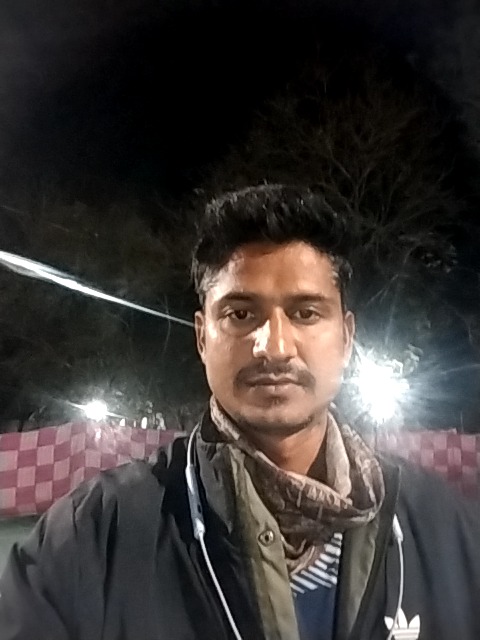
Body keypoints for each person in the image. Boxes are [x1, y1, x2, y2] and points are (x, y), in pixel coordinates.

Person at [1, 184, 479, 640]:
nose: (274, 346)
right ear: (202, 337)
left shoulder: (447, 530)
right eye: (241, 314)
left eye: (306, 313)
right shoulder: (93, 537)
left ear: (347, 338)